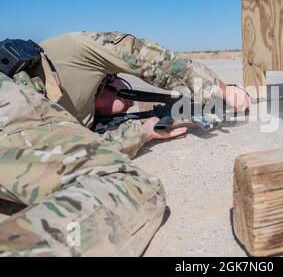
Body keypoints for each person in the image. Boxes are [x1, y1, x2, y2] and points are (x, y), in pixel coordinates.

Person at [0, 31, 249, 256]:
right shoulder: (73, 53)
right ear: (108, 78)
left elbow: (71, 151)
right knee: (128, 188)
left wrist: (142, 132)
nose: (129, 102)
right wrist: (219, 90)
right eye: (126, 90)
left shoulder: (73, 118)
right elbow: (140, 53)